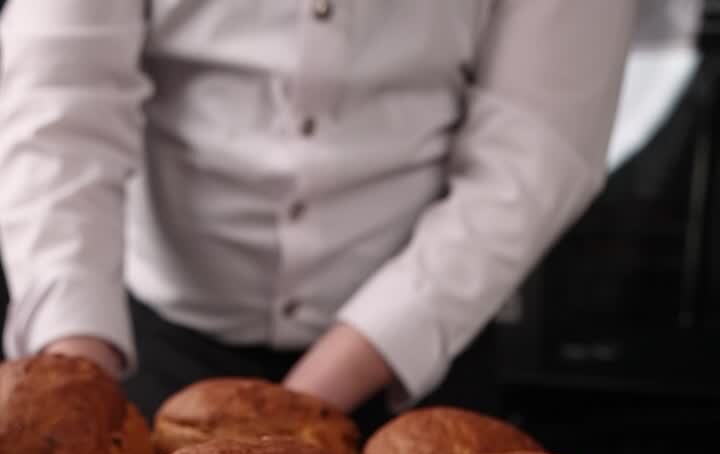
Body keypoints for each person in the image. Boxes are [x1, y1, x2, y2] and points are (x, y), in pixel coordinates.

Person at [0, 1, 636, 431]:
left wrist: (295, 415)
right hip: (146, 346)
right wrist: (76, 382)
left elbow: (536, 150)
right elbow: (61, 98)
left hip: (410, 362)